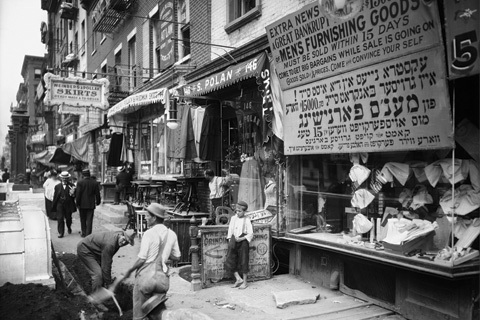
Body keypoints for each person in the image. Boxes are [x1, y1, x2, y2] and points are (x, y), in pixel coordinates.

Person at [124, 203, 181, 319]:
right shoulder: (172, 234)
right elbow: (177, 257)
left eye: (147, 216)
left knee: (140, 316)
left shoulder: (148, 234)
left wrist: (129, 270)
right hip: (162, 281)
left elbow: (142, 259)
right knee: (157, 314)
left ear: (154, 218)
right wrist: (164, 256)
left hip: (146, 279)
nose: (145, 218)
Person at [77, 230, 136, 294]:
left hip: (95, 250)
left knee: (102, 273)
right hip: (85, 249)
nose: (124, 243)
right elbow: (106, 265)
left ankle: (101, 290)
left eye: (127, 242)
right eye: (124, 240)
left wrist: (107, 281)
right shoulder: (110, 244)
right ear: (121, 236)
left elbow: (107, 260)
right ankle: (96, 298)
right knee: (98, 274)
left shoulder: (118, 238)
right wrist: (109, 284)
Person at [225, 200, 253, 290]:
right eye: (236, 211)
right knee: (230, 260)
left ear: (244, 211)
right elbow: (230, 230)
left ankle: (245, 282)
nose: (237, 213)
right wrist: (230, 240)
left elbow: (250, 233)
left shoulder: (247, 220)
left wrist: (242, 238)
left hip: (243, 241)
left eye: (240, 211)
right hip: (234, 240)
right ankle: (238, 279)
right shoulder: (233, 218)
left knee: (244, 260)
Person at [76, 169, 101, 237]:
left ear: (83, 175)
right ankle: (88, 234)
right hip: (91, 204)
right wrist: (98, 202)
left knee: (83, 219)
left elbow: (78, 194)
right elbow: (97, 194)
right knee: (89, 220)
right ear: (89, 174)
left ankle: (83, 233)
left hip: (82, 204)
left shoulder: (80, 182)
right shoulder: (94, 182)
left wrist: (77, 203)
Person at [51, 171, 77, 238]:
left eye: (66, 178)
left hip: (68, 204)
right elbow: (55, 196)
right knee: (60, 218)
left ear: (68, 178)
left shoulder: (72, 186)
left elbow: (74, 196)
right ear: (61, 178)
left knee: (68, 218)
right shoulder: (57, 186)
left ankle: (69, 227)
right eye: (63, 178)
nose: (64, 179)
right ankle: (61, 232)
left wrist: (73, 194)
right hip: (60, 204)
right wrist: (54, 205)